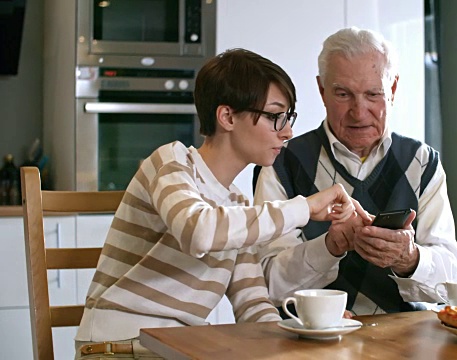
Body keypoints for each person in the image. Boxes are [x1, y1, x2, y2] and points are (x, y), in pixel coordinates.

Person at [74, 48, 368, 359]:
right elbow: (197, 230)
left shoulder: (236, 207)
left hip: (174, 350)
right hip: (117, 348)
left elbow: (252, 303)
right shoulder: (172, 162)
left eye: (288, 117)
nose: (288, 132)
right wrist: (304, 208)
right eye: (275, 117)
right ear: (227, 117)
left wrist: (309, 329)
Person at [253, 27, 457, 316]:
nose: (359, 111)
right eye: (343, 94)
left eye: (373, 94)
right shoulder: (282, 162)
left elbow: (453, 277)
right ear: (322, 91)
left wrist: (409, 258)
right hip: (314, 340)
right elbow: (267, 282)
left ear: (392, 90)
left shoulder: (422, 162)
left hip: (405, 341)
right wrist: (329, 247)